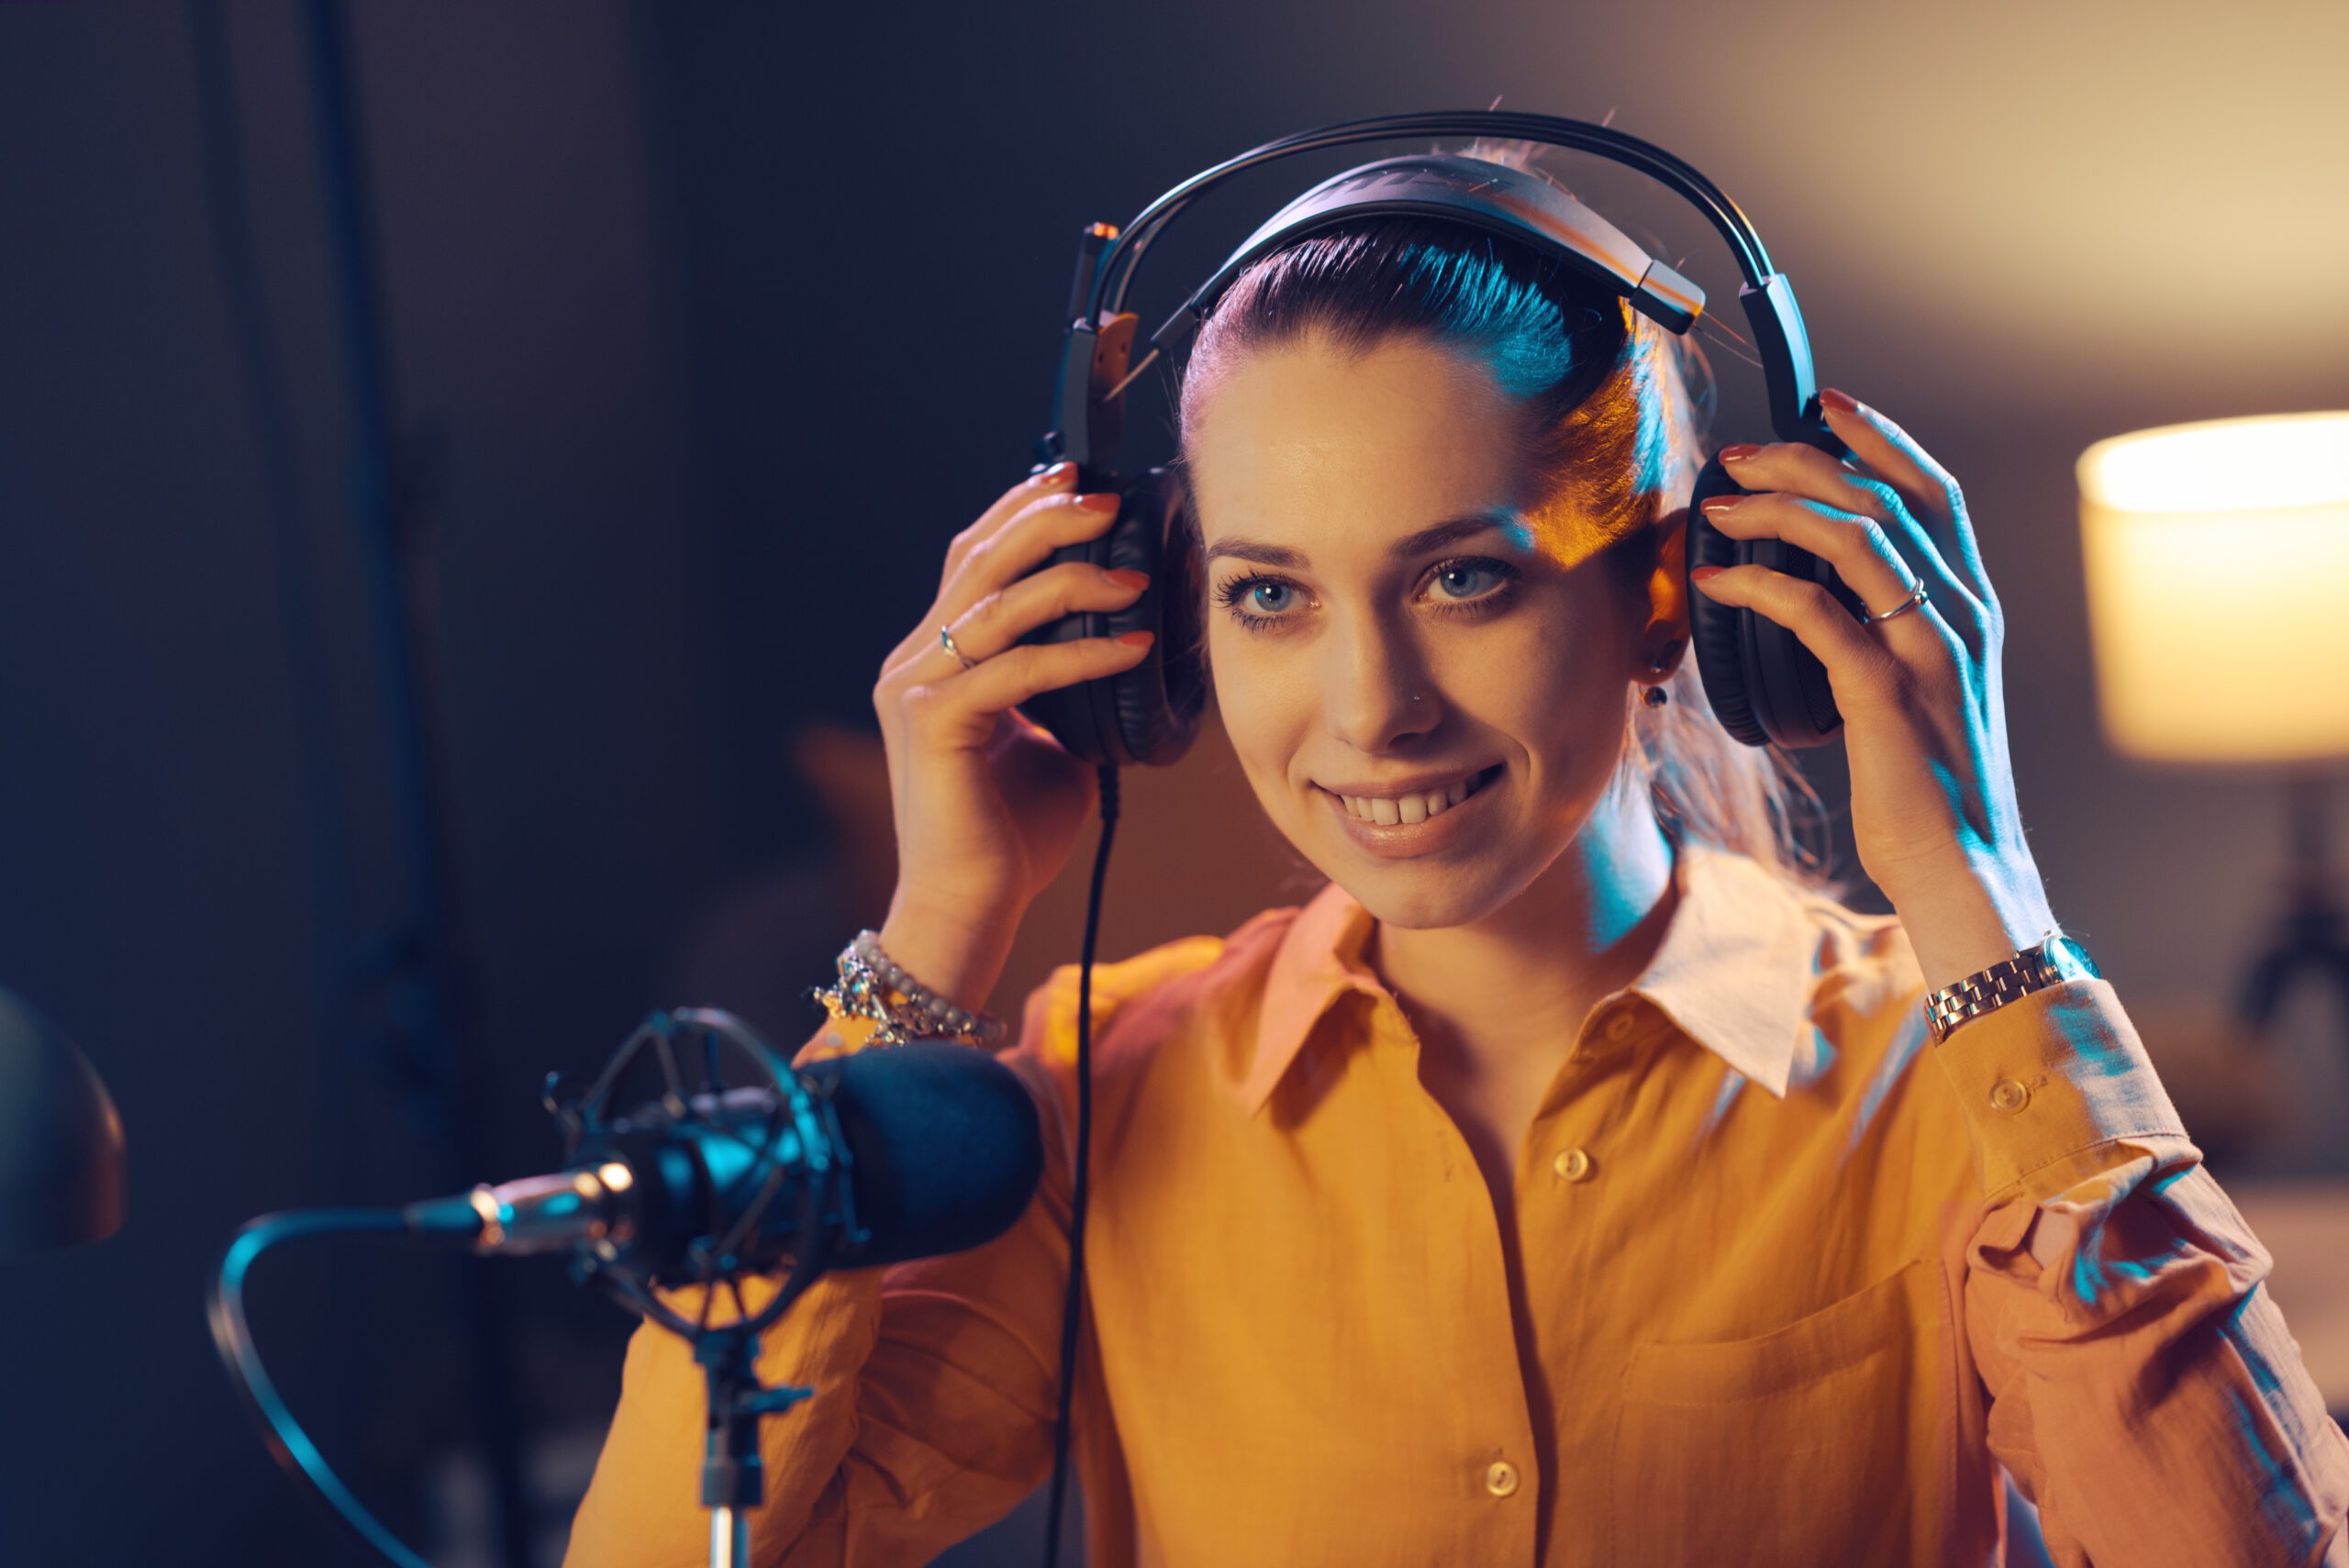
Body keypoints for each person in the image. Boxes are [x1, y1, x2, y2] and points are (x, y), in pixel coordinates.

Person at [562, 139, 2349, 1566]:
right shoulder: (1102, 1095)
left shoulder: (1945, 1081)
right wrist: (938, 922)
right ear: (1174, 636)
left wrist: (1976, 892)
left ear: (1675, 596)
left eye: (1463, 577)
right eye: (1269, 594)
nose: (1370, 709)